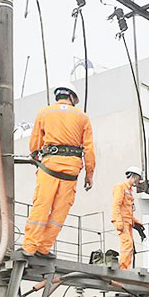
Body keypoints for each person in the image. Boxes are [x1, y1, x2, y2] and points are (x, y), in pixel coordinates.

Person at [23, 85, 95, 258]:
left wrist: (35, 155)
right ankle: (43, 248)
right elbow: (89, 149)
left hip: (49, 167)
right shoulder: (82, 117)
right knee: (59, 211)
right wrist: (90, 175)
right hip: (71, 170)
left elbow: (35, 142)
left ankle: (29, 247)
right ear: (71, 98)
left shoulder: (44, 113)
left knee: (41, 205)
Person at [111, 167, 146, 269]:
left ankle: (126, 267)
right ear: (134, 177)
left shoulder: (130, 191)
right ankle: (123, 268)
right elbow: (116, 205)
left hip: (128, 222)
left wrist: (137, 223)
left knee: (130, 246)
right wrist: (118, 222)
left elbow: (128, 211)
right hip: (121, 221)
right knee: (127, 243)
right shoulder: (120, 187)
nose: (138, 182)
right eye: (138, 179)